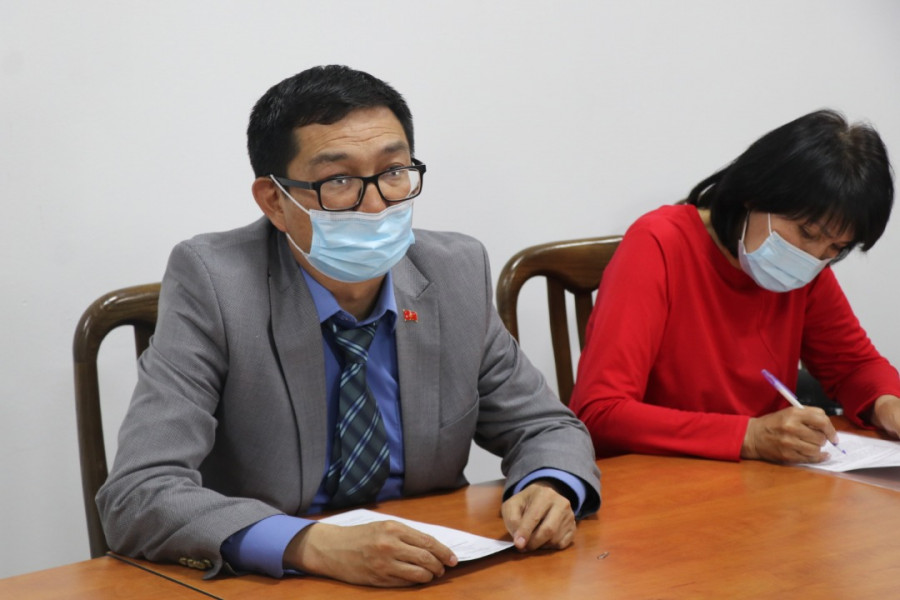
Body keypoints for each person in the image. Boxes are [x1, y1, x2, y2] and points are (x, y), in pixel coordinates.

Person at [96, 65, 600, 588]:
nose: (377, 203)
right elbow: (139, 492)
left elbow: (546, 428)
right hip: (278, 583)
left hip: (434, 572)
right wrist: (308, 543)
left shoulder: (454, 271)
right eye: (339, 180)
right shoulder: (216, 284)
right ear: (274, 201)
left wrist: (551, 486)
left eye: (394, 172)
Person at [569, 109, 900, 464]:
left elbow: (854, 366)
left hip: (762, 479)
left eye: (836, 248)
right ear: (756, 195)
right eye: (807, 232)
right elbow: (600, 411)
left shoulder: (808, 269)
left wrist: (887, 403)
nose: (814, 256)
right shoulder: (659, 244)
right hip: (658, 475)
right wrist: (749, 437)